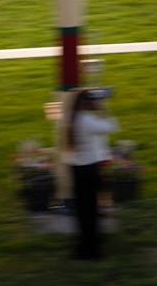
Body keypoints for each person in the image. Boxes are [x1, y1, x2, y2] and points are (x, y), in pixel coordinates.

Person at [64, 87, 120, 260]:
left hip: (77, 169)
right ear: (88, 102)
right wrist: (104, 108)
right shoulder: (87, 121)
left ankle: (84, 246)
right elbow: (113, 127)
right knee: (91, 211)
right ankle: (91, 251)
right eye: (94, 100)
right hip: (89, 170)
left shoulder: (72, 117)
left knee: (83, 211)